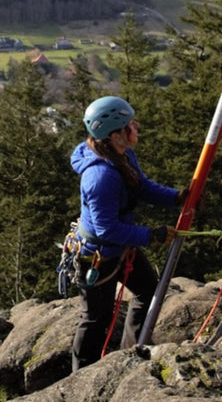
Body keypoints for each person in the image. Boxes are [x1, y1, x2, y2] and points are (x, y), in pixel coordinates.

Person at [70, 95, 183, 371]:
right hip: (97, 255)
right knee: (96, 318)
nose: (136, 128)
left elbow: (142, 187)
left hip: (118, 248)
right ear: (114, 135)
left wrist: (176, 198)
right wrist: (151, 235)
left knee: (148, 289)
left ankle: (131, 353)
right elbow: (106, 228)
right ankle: (80, 376)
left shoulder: (121, 156)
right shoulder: (100, 177)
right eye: (130, 125)